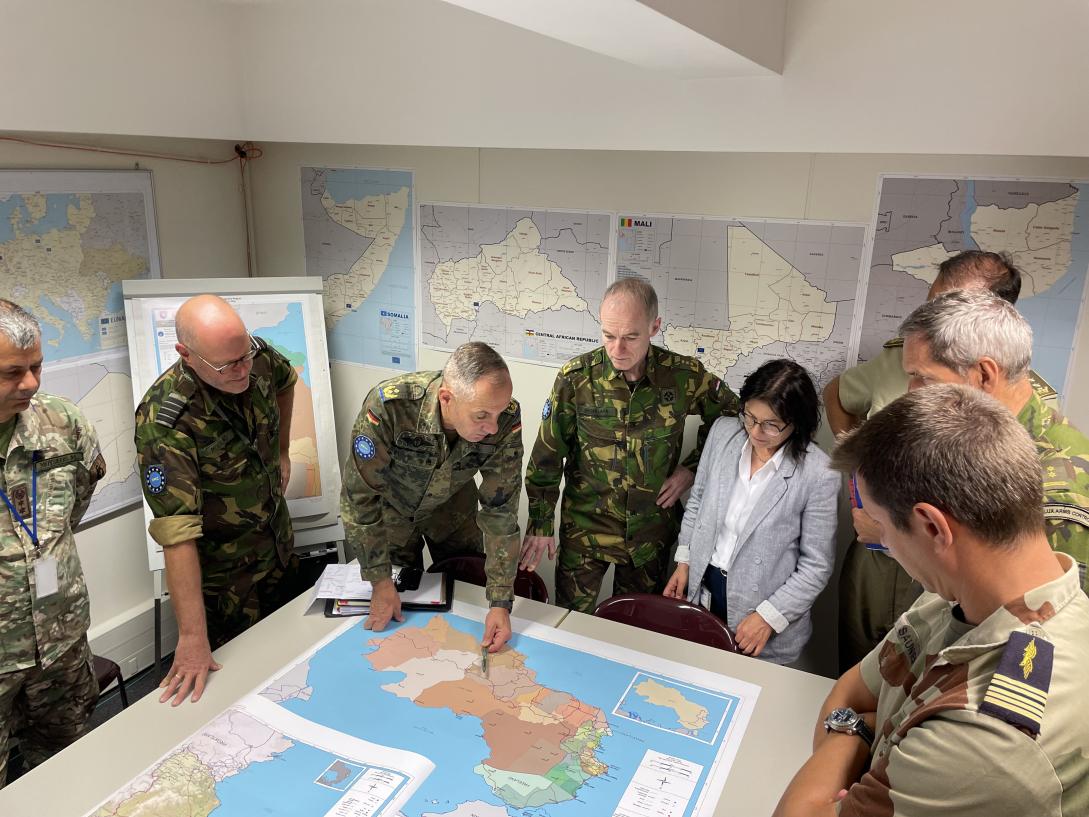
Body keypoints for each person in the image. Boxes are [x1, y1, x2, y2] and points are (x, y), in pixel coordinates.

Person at [774, 385, 1089, 817]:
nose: (882, 543)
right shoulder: (957, 598)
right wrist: (863, 728)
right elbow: (849, 696)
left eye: (882, 529)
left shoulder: (989, 736)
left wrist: (856, 732)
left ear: (932, 527)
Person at [831, 250, 1030, 671]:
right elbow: (840, 397)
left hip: (945, 587)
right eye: (932, 302)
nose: (912, 391)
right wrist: (861, 497)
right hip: (878, 558)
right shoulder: (906, 359)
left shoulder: (1035, 446)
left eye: (948, 306)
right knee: (860, 664)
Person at [522, 278, 738, 612]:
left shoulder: (683, 376)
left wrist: (692, 470)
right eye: (608, 335)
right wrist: (539, 524)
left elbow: (732, 416)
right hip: (585, 533)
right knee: (569, 625)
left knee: (635, 630)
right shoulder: (577, 378)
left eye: (630, 337)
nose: (617, 350)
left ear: (654, 327)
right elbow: (547, 457)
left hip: (649, 539)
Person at [135, 294, 303, 706]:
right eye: (228, 366)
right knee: (242, 693)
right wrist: (193, 638)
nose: (243, 369)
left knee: (297, 663)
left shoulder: (254, 354)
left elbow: (286, 381)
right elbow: (177, 534)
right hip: (226, 581)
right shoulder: (165, 422)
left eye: (244, 355)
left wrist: (281, 450)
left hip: (278, 548)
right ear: (186, 355)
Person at [900, 289, 1089, 589]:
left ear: (984, 375)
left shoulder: (1055, 495)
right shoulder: (986, 443)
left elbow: (1052, 624)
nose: (912, 391)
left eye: (924, 377)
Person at [342, 341, 522, 653]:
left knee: (462, 608)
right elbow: (359, 498)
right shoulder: (391, 407)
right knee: (398, 622)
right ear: (447, 398)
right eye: (481, 416)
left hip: (453, 515)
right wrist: (379, 580)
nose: (493, 428)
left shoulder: (503, 417)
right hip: (393, 516)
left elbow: (500, 510)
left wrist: (500, 602)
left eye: (497, 414)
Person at [664, 359, 838, 664]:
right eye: (750, 417)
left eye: (771, 424)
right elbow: (698, 500)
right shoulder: (723, 433)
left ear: (796, 423)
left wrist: (769, 617)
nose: (756, 431)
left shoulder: (819, 472)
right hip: (705, 590)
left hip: (762, 610)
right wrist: (684, 561)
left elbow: (816, 566)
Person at [0, 300, 106, 787]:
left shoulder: (62, 424)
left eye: (36, 366)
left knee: (70, 772)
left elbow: (75, 504)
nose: (31, 383)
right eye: (12, 373)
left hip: (61, 642)